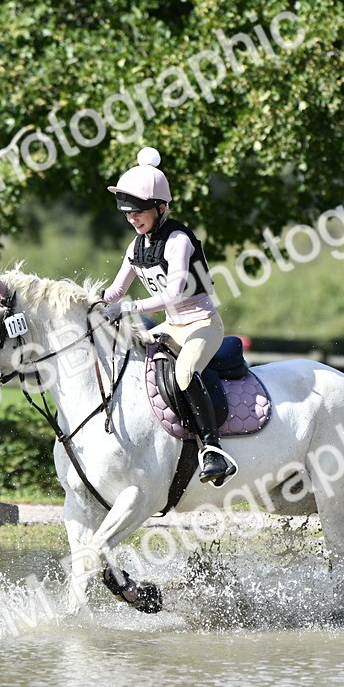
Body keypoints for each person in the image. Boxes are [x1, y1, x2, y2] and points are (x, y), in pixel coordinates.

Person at [99, 147, 237, 487]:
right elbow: (116, 291)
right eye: (128, 214)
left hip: (202, 325)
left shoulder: (178, 240)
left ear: (160, 207)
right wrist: (90, 303)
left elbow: (174, 294)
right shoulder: (136, 246)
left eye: (138, 212)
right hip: (172, 326)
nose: (132, 219)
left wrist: (129, 308)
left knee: (184, 372)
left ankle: (213, 450)